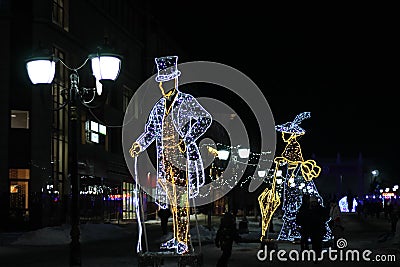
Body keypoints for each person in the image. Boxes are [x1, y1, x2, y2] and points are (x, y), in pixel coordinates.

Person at [129, 56, 212, 254]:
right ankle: (178, 238)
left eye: (167, 81)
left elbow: (204, 119)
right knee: (174, 204)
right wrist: (139, 144)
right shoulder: (158, 107)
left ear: (175, 80)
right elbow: (150, 130)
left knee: (181, 201)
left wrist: (187, 139)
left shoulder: (186, 101)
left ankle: (183, 240)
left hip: (182, 161)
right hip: (165, 162)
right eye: (161, 82)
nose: (164, 85)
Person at [308, 196, 329, 260]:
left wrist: (322, 220)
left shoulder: (320, 209)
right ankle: (316, 254)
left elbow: (326, 216)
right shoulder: (310, 210)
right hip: (313, 229)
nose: (313, 204)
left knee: (318, 242)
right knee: (314, 242)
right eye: (312, 202)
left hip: (319, 228)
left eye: (314, 202)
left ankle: (318, 254)